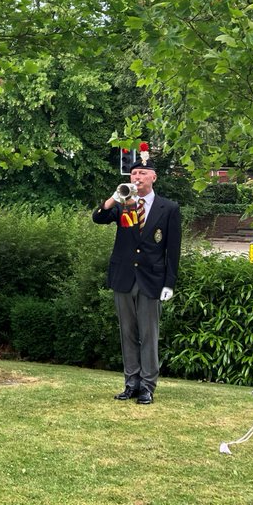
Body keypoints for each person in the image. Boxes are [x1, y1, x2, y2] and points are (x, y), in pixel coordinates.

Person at [92, 143, 181, 405]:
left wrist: (170, 283)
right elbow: (98, 218)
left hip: (151, 279)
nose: (137, 178)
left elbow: (172, 249)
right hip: (124, 277)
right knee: (127, 332)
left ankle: (148, 386)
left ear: (153, 177)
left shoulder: (168, 208)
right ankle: (131, 382)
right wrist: (113, 199)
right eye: (134, 174)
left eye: (142, 174)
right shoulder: (122, 203)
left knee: (149, 333)